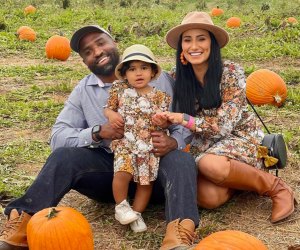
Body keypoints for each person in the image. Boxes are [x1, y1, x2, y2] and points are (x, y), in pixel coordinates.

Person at [0, 25, 199, 250]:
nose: (96, 51)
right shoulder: (83, 91)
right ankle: (23, 224)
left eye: (100, 42)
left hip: (156, 173)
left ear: (114, 43)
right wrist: (97, 132)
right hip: (111, 172)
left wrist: (174, 141)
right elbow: (58, 137)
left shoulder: (160, 80)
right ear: (84, 61)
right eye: (87, 51)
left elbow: (185, 120)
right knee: (64, 157)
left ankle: (179, 233)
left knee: (182, 160)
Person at [160, 11, 296, 224]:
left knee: (210, 165)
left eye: (201, 39)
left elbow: (223, 127)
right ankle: (242, 180)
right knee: (207, 198)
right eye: (187, 40)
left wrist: (183, 119)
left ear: (212, 44)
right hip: (205, 147)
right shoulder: (177, 77)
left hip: (240, 138)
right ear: (181, 48)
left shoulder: (231, 73)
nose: (194, 46)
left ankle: (277, 189)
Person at [104, 44, 171, 233]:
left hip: (147, 146)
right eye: (132, 69)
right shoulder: (119, 89)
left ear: (152, 71)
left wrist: (163, 122)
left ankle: (137, 212)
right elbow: (108, 108)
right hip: (126, 141)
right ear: (125, 74)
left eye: (144, 68)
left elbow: (166, 123)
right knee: (122, 173)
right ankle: (122, 207)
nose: (138, 73)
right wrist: (111, 115)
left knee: (145, 182)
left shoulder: (160, 97)